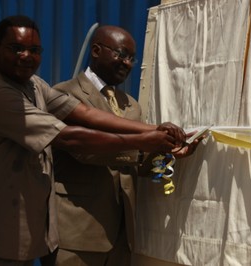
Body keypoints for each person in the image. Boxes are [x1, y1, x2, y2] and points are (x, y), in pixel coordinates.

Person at [0, 15, 188, 265]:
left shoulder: (34, 85)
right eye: (16, 48)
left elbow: (84, 113)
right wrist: (145, 140)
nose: (26, 56)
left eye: (34, 50)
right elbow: (71, 139)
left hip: (22, 233)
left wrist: (155, 132)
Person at [40, 25, 200, 266]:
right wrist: (147, 143)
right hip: (76, 233)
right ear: (95, 50)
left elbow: (138, 165)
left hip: (121, 234)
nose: (127, 63)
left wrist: (170, 155)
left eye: (132, 59)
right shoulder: (65, 94)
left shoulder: (130, 105)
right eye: (121, 54)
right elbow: (87, 151)